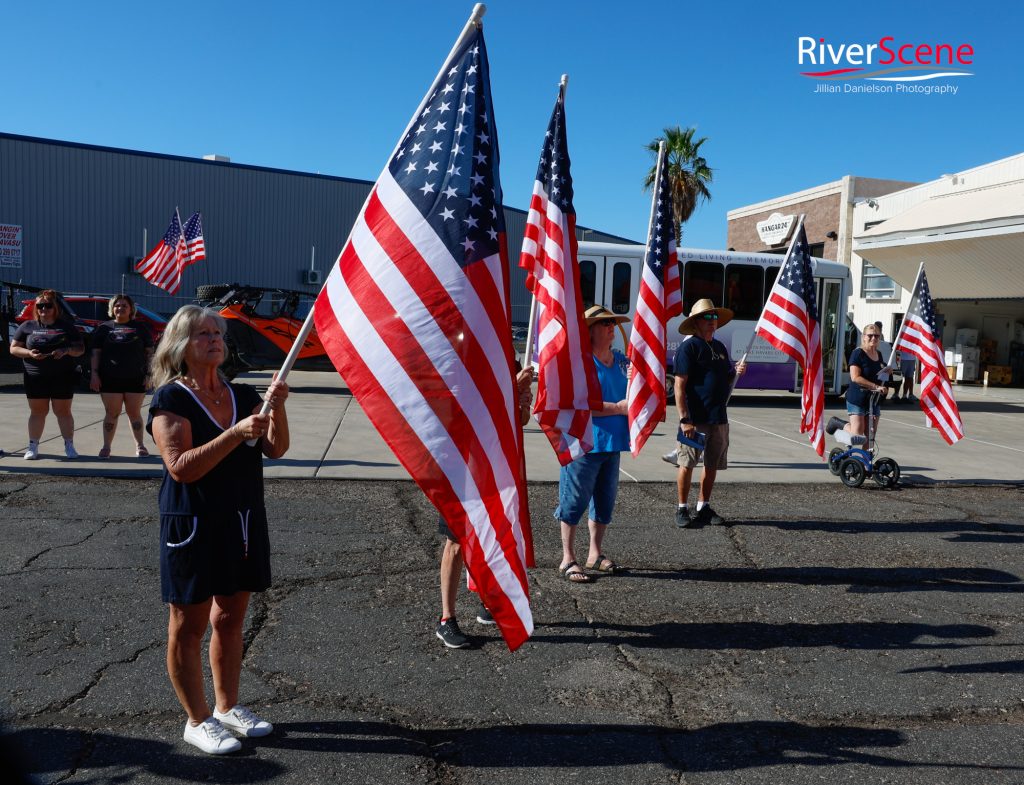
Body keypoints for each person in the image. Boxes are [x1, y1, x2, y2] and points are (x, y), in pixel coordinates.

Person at [147, 305, 289, 755]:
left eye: (217, 333)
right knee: (188, 624)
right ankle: (197, 719)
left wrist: (277, 409)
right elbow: (182, 468)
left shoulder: (245, 394)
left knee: (230, 618)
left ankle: (228, 708)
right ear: (181, 346)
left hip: (242, 519)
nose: (213, 339)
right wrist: (234, 433)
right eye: (202, 333)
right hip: (192, 523)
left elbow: (276, 449)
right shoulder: (170, 398)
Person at [435, 363, 534, 648]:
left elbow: (521, 420)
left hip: (496, 468)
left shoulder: (507, 358)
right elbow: (462, 409)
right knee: (456, 541)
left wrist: (520, 403)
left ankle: (487, 603)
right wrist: (509, 390)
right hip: (462, 465)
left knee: (494, 533)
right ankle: (446, 619)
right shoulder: (459, 356)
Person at [554, 305, 630, 584]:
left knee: (604, 502)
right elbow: (579, 403)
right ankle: (567, 558)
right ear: (590, 330)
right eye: (604, 322)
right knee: (573, 501)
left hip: (613, 442)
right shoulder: (581, 363)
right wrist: (619, 408)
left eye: (612, 322)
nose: (611, 326)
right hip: (584, 442)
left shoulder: (623, 362)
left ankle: (594, 554)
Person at [673, 299, 746, 528]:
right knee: (687, 463)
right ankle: (682, 508)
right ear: (696, 322)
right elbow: (679, 385)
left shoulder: (720, 347)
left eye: (714, 318)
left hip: (718, 417)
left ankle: (703, 506)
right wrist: (685, 419)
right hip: (695, 419)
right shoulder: (689, 347)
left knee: (712, 464)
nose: (712, 322)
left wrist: (736, 373)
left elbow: (725, 378)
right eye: (707, 318)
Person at [9, 290, 86, 460]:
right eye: (40, 306)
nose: (44, 309)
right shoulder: (27, 326)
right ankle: (33, 447)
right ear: (36, 308)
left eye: (48, 305)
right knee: (38, 412)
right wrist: (30, 354)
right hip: (35, 376)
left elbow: (80, 349)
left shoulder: (66, 326)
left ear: (55, 307)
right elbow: (13, 348)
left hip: (62, 375)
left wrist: (65, 351)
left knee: (63, 412)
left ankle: (69, 446)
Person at [90, 294, 155, 458]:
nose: (120, 308)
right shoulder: (103, 328)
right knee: (112, 413)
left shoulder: (141, 328)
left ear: (131, 309)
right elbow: (95, 353)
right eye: (117, 305)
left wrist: (150, 374)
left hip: (136, 377)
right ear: (112, 308)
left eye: (124, 305)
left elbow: (150, 354)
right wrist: (94, 375)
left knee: (134, 413)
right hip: (110, 378)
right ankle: (106, 447)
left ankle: (140, 446)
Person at [827, 323, 889, 448]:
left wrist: (887, 373)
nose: (874, 338)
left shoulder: (879, 354)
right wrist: (875, 387)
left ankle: (866, 462)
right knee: (858, 434)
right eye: (870, 335)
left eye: (877, 335)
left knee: (870, 435)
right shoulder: (858, 354)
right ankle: (838, 424)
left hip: (873, 400)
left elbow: (879, 376)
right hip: (858, 398)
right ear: (864, 337)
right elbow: (855, 377)